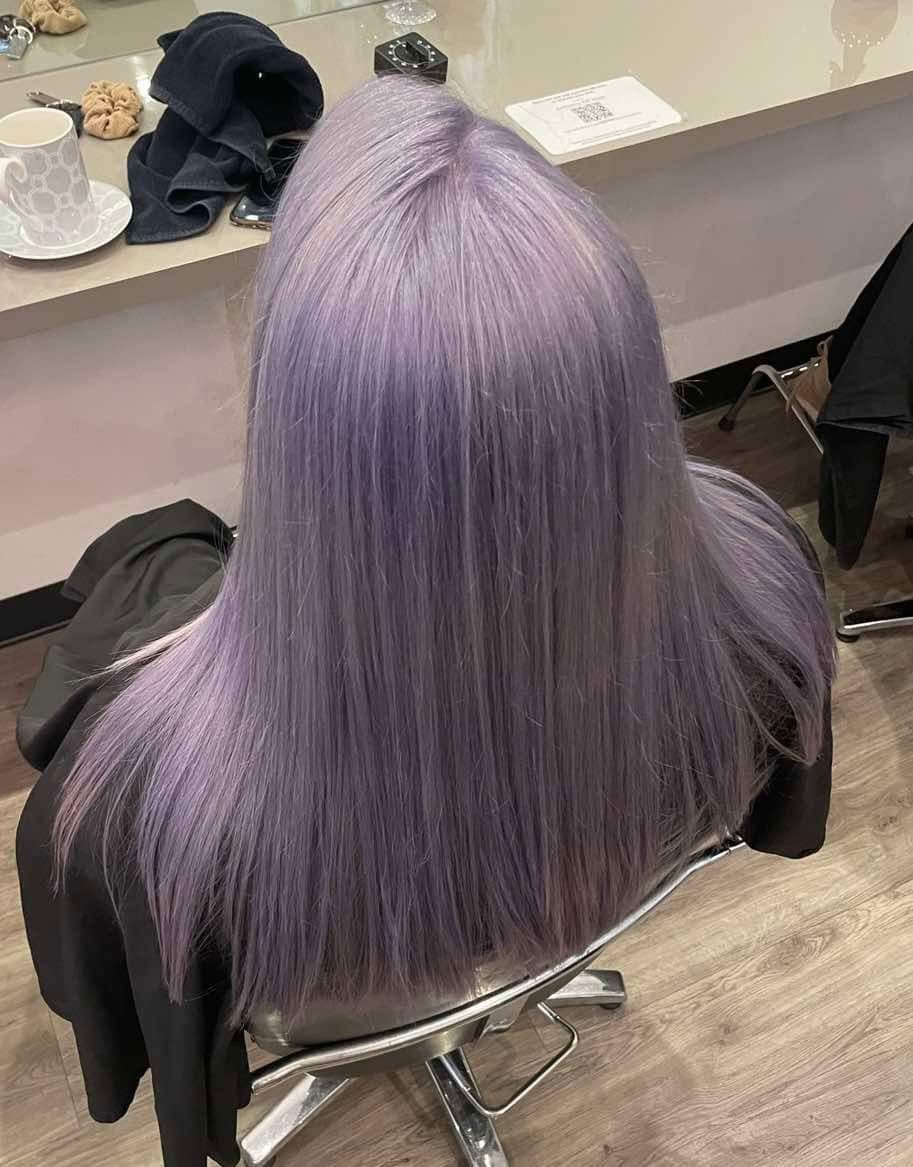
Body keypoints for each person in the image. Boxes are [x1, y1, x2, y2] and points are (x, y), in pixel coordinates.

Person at [17, 78, 835, 1167]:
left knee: (151, 548)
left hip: (344, 977)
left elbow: (131, 1019)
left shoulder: (141, 803)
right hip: (568, 895)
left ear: (294, 405)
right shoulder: (767, 583)